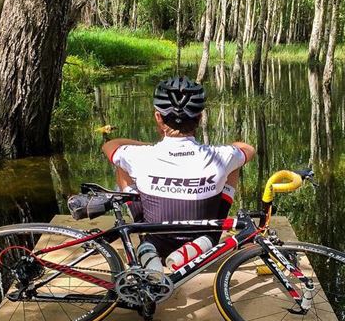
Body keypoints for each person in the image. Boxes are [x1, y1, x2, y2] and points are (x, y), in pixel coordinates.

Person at [101, 76, 255, 259]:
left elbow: (109, 146)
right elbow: (247, 149)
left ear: (158, 117)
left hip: (155, 244)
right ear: (200, 116)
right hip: (205, 244)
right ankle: (215, 227)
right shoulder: (220, 156)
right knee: (234, 164)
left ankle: (141, 227)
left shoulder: (140, 156)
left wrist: (149, 147)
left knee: (122, 164)